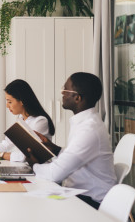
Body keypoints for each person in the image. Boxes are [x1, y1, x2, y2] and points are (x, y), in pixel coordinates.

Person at [25, 72, 116, 209]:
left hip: (92, 203)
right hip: (79, 194)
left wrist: (33, 165)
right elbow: (77, 158)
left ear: (77, 98)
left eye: (65, 90)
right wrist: (55, 149)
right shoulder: (85, 123)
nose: (62, 93)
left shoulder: (89, 130)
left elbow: (55, 174)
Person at [0, 79, 54, 161]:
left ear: (21, 101)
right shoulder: (21, 120)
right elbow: (6, 144)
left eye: (10, 102)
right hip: (29, 167)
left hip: (40, 169)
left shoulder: (40, 121)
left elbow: (28, 155)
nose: (7, 106)